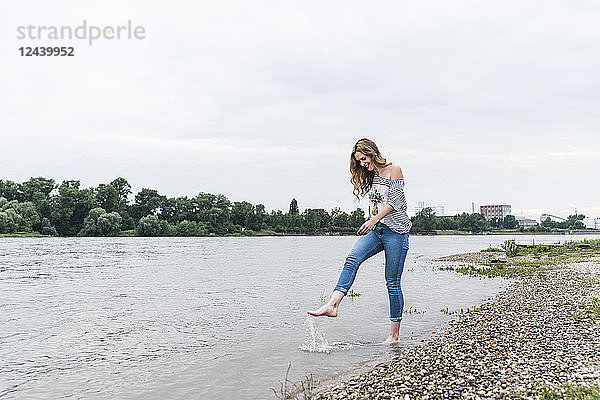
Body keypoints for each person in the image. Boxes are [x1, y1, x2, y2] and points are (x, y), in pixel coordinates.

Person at [307, 138, 412, 344]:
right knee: (352, 259)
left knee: (392, 282)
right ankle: (333, 305)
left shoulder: (394, 170)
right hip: (378, 230)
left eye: (364, 159)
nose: (363, 164)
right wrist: (373, 222)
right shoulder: (372, 176)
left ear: (372, 153)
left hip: (396, 233)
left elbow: (396, 202)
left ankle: (394, 336)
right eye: (359, 162)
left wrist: (372, 220)